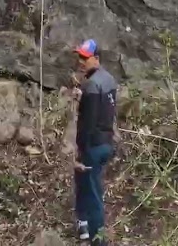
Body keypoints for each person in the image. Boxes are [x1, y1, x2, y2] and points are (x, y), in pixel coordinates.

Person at [71, 38, 117, 243]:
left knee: (94, 193)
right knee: (86, 183)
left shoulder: (91, 85)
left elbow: (87, 124)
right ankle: (84, 225)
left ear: (96, 58)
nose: (81, 61)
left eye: (85, 58)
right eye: (80, 56)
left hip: (93, 145)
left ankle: (99, 239)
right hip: (106, 142)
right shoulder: (108, 79)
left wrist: (80, 152)